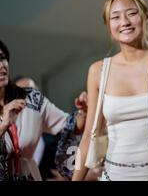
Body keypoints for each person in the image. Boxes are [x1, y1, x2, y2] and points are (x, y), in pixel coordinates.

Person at [73, 0, 148, 181]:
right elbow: (88, 137)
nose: (124, 22)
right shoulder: (98, 71)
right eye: (115, 17)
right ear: (108, 25)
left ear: (145, 16)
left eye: (132, 13)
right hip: (114, 175)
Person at [0, 40, 86, 181]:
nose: (1, 66)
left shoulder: (31, 98)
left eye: (2, 58)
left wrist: (84, 111)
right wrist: (3, 126)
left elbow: (70, 125)